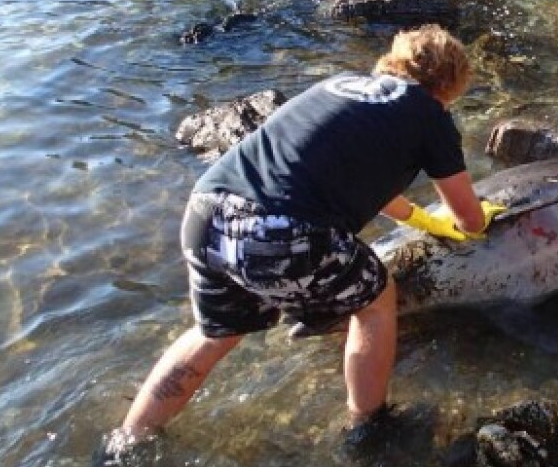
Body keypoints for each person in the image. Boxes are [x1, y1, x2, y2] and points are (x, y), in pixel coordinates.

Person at [100, 26, 504, 459]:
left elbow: (360, 177)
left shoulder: (338, 85)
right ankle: (368, 426)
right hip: (276, 230)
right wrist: (472, 220)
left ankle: (127, 442)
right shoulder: (430, 115)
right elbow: (468, 216)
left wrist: (421, 219)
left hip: (206, 210)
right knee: (375, 299)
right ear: (450, 83)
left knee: (213, 334)